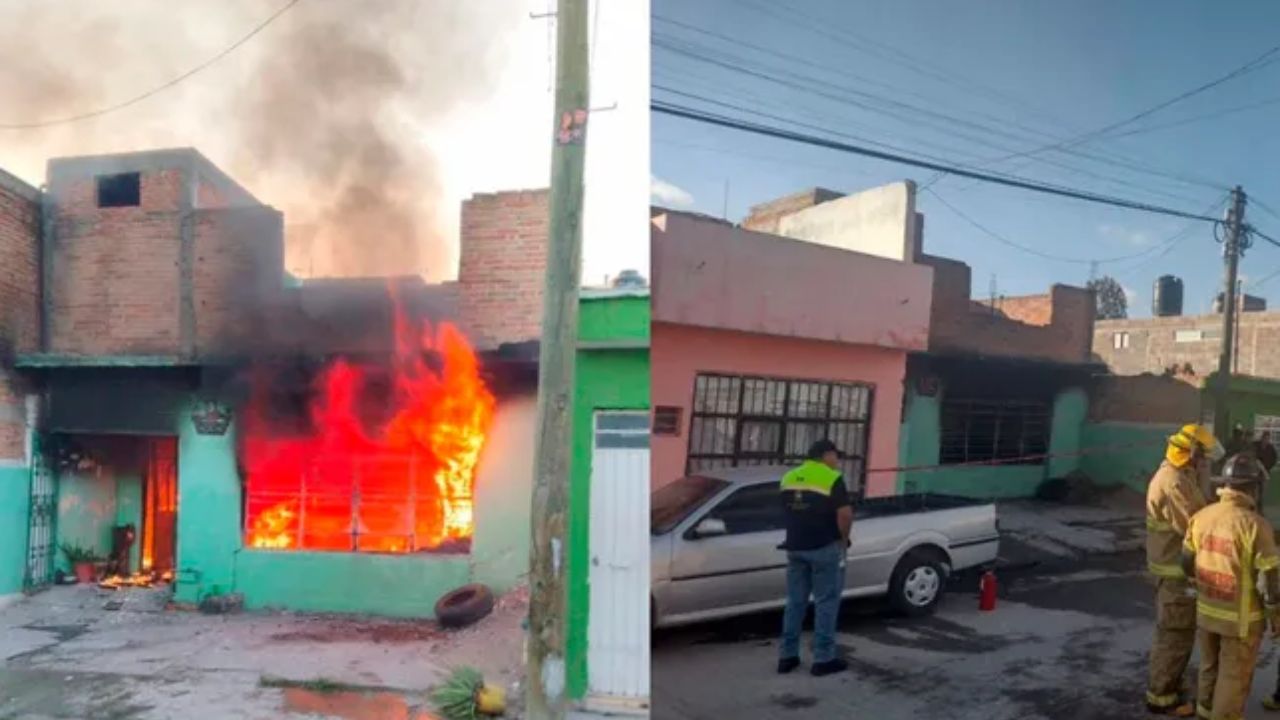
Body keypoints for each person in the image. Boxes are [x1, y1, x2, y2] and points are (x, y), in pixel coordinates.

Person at [1181, 454, 1280, 720]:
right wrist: (1275, 616)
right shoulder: (1255, 526)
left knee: (1210, 666)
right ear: (1252, 487)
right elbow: (1268, 581)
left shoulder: (1201, 517)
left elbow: (1187, 562)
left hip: (1208, 612)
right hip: (1241, 622)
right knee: (1233, 677)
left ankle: (1204, 711)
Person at [1145, 424, 1221, 717]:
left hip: (1177, 571)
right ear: (1189, 453)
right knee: (1175, 635)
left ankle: (1168, 687)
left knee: (1179, 633)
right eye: (1201, 455)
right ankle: (1162, 696)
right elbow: (1194, 526)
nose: (1203, 461)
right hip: (1175, 573)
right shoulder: (1173, 481)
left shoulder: (1182, 476)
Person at [776, 439, 854, 677]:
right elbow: (845, 514)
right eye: (836, 456)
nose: (837, 461)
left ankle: (787, 657)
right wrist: (844, 540)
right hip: (823, 547)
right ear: (826, 455)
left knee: (794, 603)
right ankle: (823, 659)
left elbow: (788, 511)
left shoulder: (788, 477)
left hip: (795, 547)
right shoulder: (831, 478)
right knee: (826, 602)